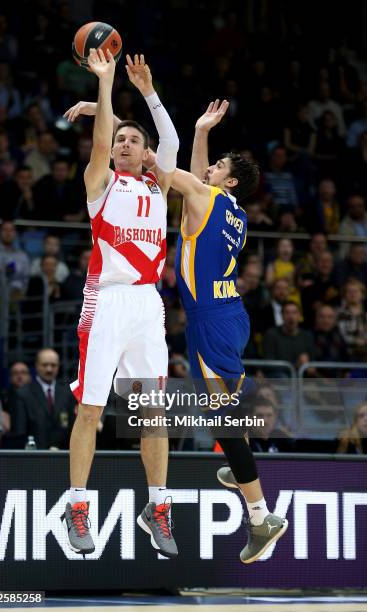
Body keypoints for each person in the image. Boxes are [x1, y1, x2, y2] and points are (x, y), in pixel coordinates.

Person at [64, 50, 179, 559]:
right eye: (120, 140)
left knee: (154, 413)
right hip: (106, 300)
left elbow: (171, 142)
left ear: (146, 152)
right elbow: (99, 141)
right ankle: (78, 505)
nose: (126, 143)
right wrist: (105, 88)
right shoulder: (101, 183)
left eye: (135, 140)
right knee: (90, 408)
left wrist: (149, 92)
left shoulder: (157, 183)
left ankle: (157, 507)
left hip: (147, 305)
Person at [172, 100, 288, 563]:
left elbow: (158, 165)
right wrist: (201, 132)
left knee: (224, 421)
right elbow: (198, 181)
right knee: (223, 411)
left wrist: (119, 122)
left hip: (210, 322)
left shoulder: (204, 197)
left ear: (231, 180)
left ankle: (261, 516)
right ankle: (241, 468)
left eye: (218, 165)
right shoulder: (230, 208)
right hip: (229, 313)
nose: (210, 168)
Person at [12, 348, 76, 450]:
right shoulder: (23, 394)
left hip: (63, 456)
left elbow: (73, 428)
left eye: (53, 365)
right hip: (34, 457)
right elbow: (19, 433)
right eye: (45, 365)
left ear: (59, 366)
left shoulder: (67, 393)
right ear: (36, 365)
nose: (49, 369)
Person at [263, 301, 316, 369]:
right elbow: (269, 365)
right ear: (282, 315)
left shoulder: (307, 336)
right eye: (287, 313)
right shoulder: (271, 334)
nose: (291, 317)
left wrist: (309, 366)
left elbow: (313, 364)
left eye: (294, 313)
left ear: (300, 316)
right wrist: (295, 366)